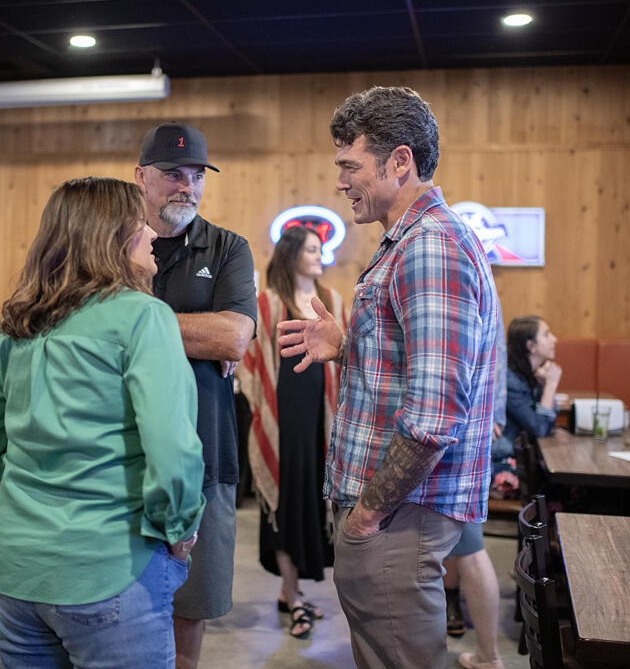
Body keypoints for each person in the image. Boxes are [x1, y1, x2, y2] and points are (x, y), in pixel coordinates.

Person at [277, 86, 500, 668]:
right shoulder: (412, 242)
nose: (341, 182)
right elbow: (420, 367)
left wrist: (368, 515)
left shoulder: (430, 246)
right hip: (398, 512)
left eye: (350, 166)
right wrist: (351, 347)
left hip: (400, 516)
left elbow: (432, 417)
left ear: (400, 161)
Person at [0, 177, 206, 668]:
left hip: (14, 570)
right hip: (108, 568)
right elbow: (172, 449)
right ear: (112, 236)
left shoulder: (20, 325)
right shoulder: (143, 317)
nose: (154, 234)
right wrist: (179, 531)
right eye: (141, 224)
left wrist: (7, 511)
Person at [133, 121, 257, 668]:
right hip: (119, 459)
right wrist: (195, 333)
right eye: (172, 174)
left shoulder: (229, 247)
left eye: (196, 175)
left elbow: (233, 334)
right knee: (120, 610)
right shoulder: (112, 244)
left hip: (205, 455)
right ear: (140, 177)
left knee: (190, 610)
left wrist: (129, 324)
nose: (187, 185)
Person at [240, 225, 346, 640]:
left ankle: (293, 593)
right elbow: (251, 359)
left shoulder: (332, 301)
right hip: (281, 419)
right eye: (313, 249)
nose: (320, 255)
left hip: (321, 420)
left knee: (311, 498)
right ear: (292, 255)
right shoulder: (266, 303)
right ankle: (292, 593)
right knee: (283, 502)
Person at [443, 318, 508, 669]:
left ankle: (489, 654)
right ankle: (488, 653)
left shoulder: (464, 278)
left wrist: (491, 419)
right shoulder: (483, 283)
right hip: (473, 430)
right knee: (464, 548)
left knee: (470, 550)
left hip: (461, 435)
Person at [502, 315, 562, 442]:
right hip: (504, 457)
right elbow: (540, 428)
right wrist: (550, 385)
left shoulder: (529, 374)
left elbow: (549, 422)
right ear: (531, 346)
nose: (554, 339)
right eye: (546, 335)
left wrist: (543, 385)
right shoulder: (510, 382)